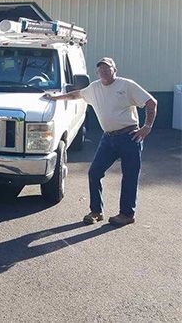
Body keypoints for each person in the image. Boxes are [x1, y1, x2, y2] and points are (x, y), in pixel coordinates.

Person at [44, 57, 157, 226]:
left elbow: (151, 102)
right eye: (100, 69)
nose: (104, 71)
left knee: (130, 177)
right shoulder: (94, 87)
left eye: (107, 68)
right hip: (108, 138)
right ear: (97, 72)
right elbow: (76, 94)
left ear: (115, 70)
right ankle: (96, 211)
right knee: (94, 172)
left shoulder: (126, 85)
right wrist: (55, 98)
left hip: (129, 137)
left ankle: (127, 214)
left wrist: (147, 126)